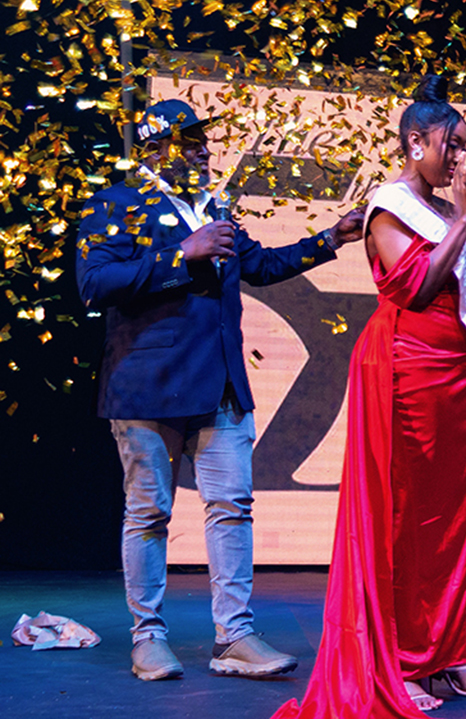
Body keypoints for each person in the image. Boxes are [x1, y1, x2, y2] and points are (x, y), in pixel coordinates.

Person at [75, 99, 363, 681]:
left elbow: (260, 266)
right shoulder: (116, 204)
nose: (204, 151)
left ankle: (234, 636)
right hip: (147, 389)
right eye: (190, 142)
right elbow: (93, 284)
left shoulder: (215, 207)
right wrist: (181, 253)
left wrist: (331, 238)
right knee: (148, 513)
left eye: (203, 141)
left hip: (222, 386)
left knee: (232, 508)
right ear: (156, 150)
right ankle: (147, 638)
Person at [273, 75, 466, 718]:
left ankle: (445, 653)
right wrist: (463, 222)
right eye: (451, 145)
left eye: (464, 145)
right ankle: (398, 660)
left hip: (457, 370)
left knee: (453, 518)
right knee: (404, 519)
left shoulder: (443, 211)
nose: (459, 157)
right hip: (407, 369)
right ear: (415, 143)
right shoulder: (389, 207)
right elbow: (417, 290)